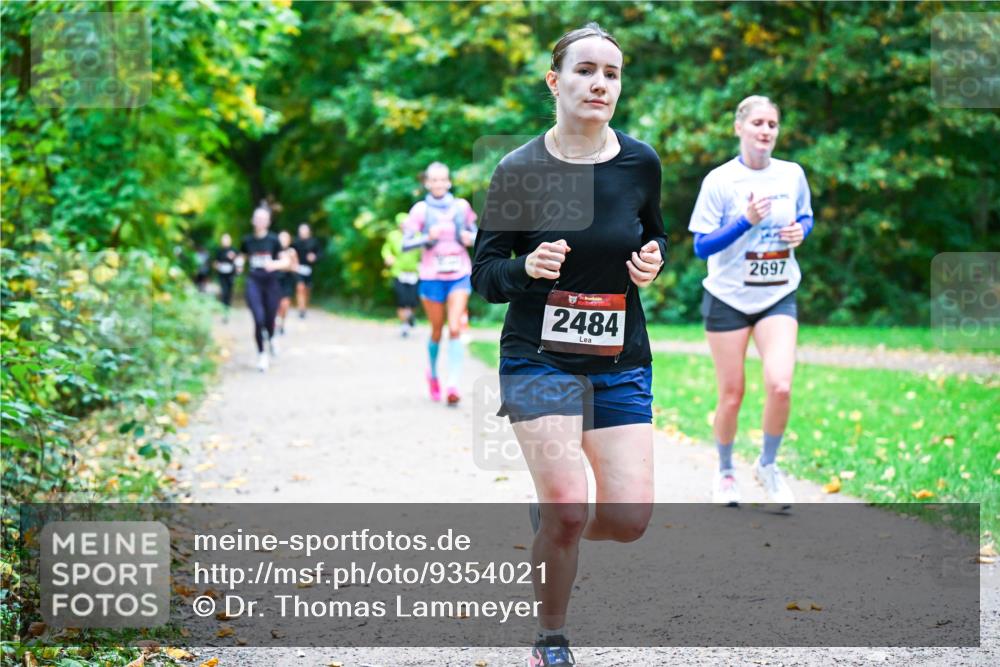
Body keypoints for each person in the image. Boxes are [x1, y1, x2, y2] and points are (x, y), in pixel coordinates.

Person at [471, 23, 666, 667]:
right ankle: (550, 639)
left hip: (618, 362)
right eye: (585, 70)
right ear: (556, 81)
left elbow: (656, 236)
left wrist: (652, 261)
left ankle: (557, 518)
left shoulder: (641, 162)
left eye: (611, 73)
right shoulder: (519, 169)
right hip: (537, 357)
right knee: (567, 508)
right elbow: (486, 275)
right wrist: (526, 268)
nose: (600, 83)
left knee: (631, 521)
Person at [688, 94, 814, 508]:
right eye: (757, 123)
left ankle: (768, 465)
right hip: (728, 297)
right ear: (739, 127)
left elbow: (805, 216)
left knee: (780, 385)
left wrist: (801, 232)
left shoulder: (791, 175)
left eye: (772, 124)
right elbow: (702, 248)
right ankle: (725, 472)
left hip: (777, 294)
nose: (765, 131)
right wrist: (746, 221)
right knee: (732, 394)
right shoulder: (720, 181)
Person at [402, 162, 478, 405]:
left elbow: (478, 235)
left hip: (459, 274)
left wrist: (470, 238)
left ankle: (453, 384)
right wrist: (427, 237)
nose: (438, 184)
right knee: (437, 330)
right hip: (431, 276)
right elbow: (405, 244)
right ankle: (433, 374)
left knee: (455, 327)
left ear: (448, 182)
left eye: (442, 180)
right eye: (433, 180)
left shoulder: (461, 207)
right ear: (427, 183)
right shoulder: (420, 210)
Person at [239, 207, 291, 372]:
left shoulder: (274, 240)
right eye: (257, 218)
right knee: (258, 318)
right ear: (252, 220)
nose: (260, 221)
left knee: (269, 320)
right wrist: (239, 264)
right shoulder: (247, 240)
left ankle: (272, 337)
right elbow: (242, 256)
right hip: (254, 282)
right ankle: (262, 355)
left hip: (271, 283)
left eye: (263, 218)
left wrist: (273, 265)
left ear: (268, 221)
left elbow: (286, 262)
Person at [381, 215, 420, 337]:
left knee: (413, 300)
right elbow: (386, 249)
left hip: (414, 272)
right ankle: (404, 325)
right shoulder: (393, 236)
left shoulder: (417, 236)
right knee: (402, 300)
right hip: (398, 272)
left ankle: (410, 317)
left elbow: (425, 250)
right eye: (402, 223)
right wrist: (388, 257)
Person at [293, 223, 322, 318]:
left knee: (307, 290)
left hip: (309, 270)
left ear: (309, 231)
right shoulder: (295, 242)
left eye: (305, 230)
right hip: (298, 269)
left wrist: (314, 257)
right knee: (300, 287)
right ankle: (301, 309)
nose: (303, 232)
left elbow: (320, 254)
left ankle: (304, 307)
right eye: (301, 230)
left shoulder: (314, 242)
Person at [276, 230, 299, 335]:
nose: (283, 240)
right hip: (276, 280)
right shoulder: (274, 251)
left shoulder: (292, 252)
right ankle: (276, 323)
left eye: (285, 238)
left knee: (285, 304)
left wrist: (289, 266)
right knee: (277, 304)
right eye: (281, 238)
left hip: (287, 280)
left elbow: (296, 267)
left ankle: (282, 323)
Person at [213, 233, 238, 321]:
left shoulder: (233, 250)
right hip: (222, 275)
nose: (225, 241)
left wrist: (234, 259)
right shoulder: (219, 250)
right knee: (224, 292)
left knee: (229, 293)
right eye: (224, 239)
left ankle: (228, 308)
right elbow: (215, 262)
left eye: (227, 239)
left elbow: (239, 261)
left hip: (231, 275)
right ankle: (224, 311)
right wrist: (217, 266)